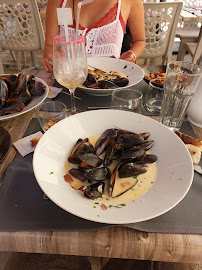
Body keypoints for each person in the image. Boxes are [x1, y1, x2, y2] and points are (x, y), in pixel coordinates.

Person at [42, 0, 145, 73]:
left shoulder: (130, 1)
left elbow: (139, 40)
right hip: (69, 82)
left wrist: (132, 55)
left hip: (110, 82)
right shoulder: (57, 1)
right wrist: (52, 59)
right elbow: (50, 44)